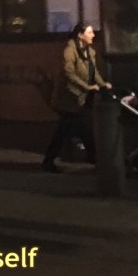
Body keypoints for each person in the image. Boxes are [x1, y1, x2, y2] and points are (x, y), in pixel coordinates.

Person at [42, 22, 109, 171]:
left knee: (75, 128)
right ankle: (93, 159)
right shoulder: (69, 51)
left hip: (82, 99)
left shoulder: (90, 52)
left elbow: (93, 73)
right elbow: (69, 73)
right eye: (90, 32)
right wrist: (87, 87)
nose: (93, 35)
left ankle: (91, 158)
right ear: (80, 35)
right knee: (75, 128)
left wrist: (103, 84)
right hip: (69, 99)